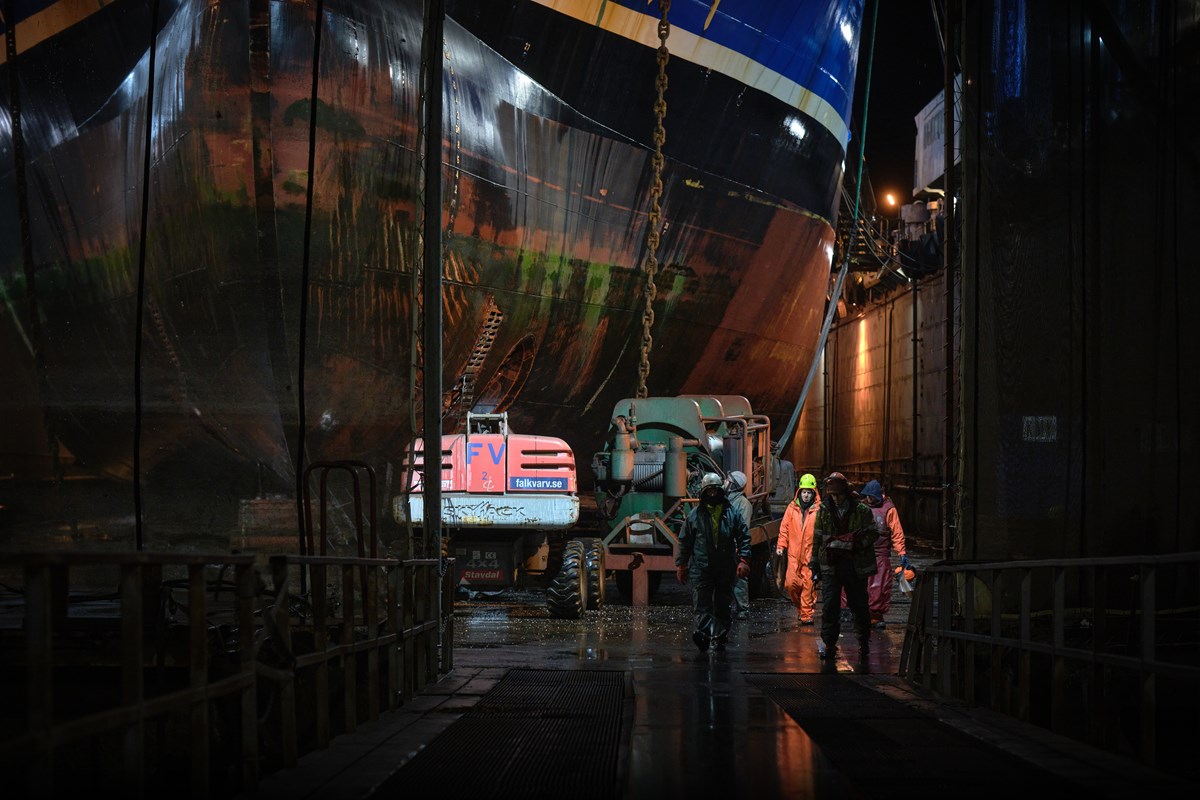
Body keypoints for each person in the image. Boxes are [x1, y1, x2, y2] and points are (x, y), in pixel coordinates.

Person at [676, 472, 752, 653]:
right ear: (703, 492)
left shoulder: (731, 513)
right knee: (701, 603)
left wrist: (744, 560)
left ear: (721, 491)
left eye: (715, 490)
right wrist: (682, 565)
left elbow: (743, 537)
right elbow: (685, 541)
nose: (712, 494)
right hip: (702, 567)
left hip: (725, 566)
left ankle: (720, 635)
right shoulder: (695, 516)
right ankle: (703, 634)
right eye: (708, 491)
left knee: (722, 603)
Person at [809, 472, 878, 660]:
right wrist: (814, 564)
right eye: (833, 495)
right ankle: (829, 643)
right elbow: (817, 539)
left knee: (859, 605)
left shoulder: (861, 511)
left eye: (838, 495)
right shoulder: (824, 510)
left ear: (845, 493)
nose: (836, 499)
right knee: (830, 605)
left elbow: (873, 534)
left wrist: (854, 544)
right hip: (831, 566)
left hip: (854, 567)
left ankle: (863, 641)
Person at [860, 480, 909, 628]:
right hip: (863, 553)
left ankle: (876, 615)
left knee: (880, 587)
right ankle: (862, 614)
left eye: (871, 497)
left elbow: (896, 532)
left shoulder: (888, 509)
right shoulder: (861, 507)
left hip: (881, 554)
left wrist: (902, 553)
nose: (868, 499)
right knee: (862, 586)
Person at [775, 473, 820, 625]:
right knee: (790, 584)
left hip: (810, 556)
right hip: (794, 555)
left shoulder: (819, 511)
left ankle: (806, 614)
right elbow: (784, 528)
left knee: (808, 585)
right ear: (799, 492)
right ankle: (801, 609)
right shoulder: (792, 508)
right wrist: (781, 545)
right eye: (804, 492)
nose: (806, 495)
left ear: (814, 493)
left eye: (809, 492)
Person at [726, 470, 754, 620]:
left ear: (733, 485)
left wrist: (739, 547)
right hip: (724, 545)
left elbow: (743, 528)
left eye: (727, 480)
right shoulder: (725, 500)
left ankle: (743, 609)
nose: (724, 482)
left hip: (734, 546)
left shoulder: (743, 504)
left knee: (739, 578)